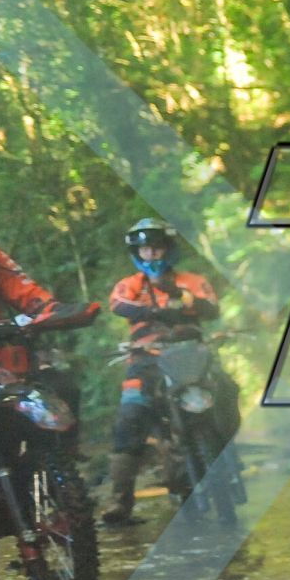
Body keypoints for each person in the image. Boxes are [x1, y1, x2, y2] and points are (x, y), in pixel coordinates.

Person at [102, 219, 229, 526]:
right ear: (137, 253)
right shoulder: (130, 284)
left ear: (169, 249)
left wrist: (182, 299)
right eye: (145, 249)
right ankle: (119, 502)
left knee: (228, 389)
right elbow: (118, 305)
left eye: (157, 248)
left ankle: (228, 455)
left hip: (191, 355)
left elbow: (212, 308)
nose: (152, 254)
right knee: (130, 417)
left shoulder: (192, 281)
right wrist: (154, 310)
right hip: (145, 358)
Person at [0, 236, 69, 580]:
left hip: (0, 365)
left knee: (61, 385)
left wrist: (49, 310)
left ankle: (61, 484)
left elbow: (25, 290)